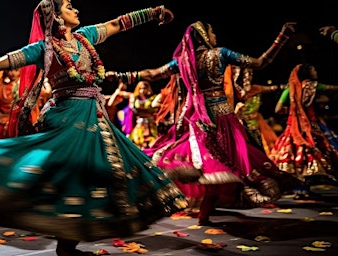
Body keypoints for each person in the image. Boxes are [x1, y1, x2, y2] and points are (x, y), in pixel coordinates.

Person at [0, 1, 187, 255]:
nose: (76, 9)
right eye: (69, 6)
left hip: (94, 116)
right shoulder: (44, 48)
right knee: (73, 174)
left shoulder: (85, 37)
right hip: (67, 118)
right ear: (56, 17)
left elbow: (116, 24)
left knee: (99, 172)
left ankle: (67, 246)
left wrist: (152, 13)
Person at [108, 21, 301, 226]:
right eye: (212, 31)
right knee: (225, 164)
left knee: (211, 166)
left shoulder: (182, 61)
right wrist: (282, 37)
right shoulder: (220, 53)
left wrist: (123, 75)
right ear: (203, 35)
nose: (215, 35)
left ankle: (204, 213)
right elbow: (260, 62)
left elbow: (153, 74)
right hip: (222, 117)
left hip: (196, 119)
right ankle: (205, 213)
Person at [270, 63, 338, 199]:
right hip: (310, 126)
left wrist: (293, 112)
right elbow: (333, 88)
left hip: (293, 127)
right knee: (328, 150)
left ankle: (300, 189)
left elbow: (278, 109)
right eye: (314, 70)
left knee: (296, 157)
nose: (316, 72)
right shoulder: (313, 85)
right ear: (307, 73)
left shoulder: (290, 88)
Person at [229, 66, 281, 156]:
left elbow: (272, 88)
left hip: (255, 125)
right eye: (246, 73)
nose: (248, 76)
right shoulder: (234, 92)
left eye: (251, 74)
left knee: (260, 149)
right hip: (241, 126)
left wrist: (284, 87)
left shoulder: (255, 89)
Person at [127, 81, 159, 149]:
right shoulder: (135, 98)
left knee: (153, 142)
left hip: (150, 123)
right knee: (137, 142)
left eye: (144, 88)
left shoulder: (153, 98)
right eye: (140, 88)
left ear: (148, 89)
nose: (142, 90)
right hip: (139, 123)